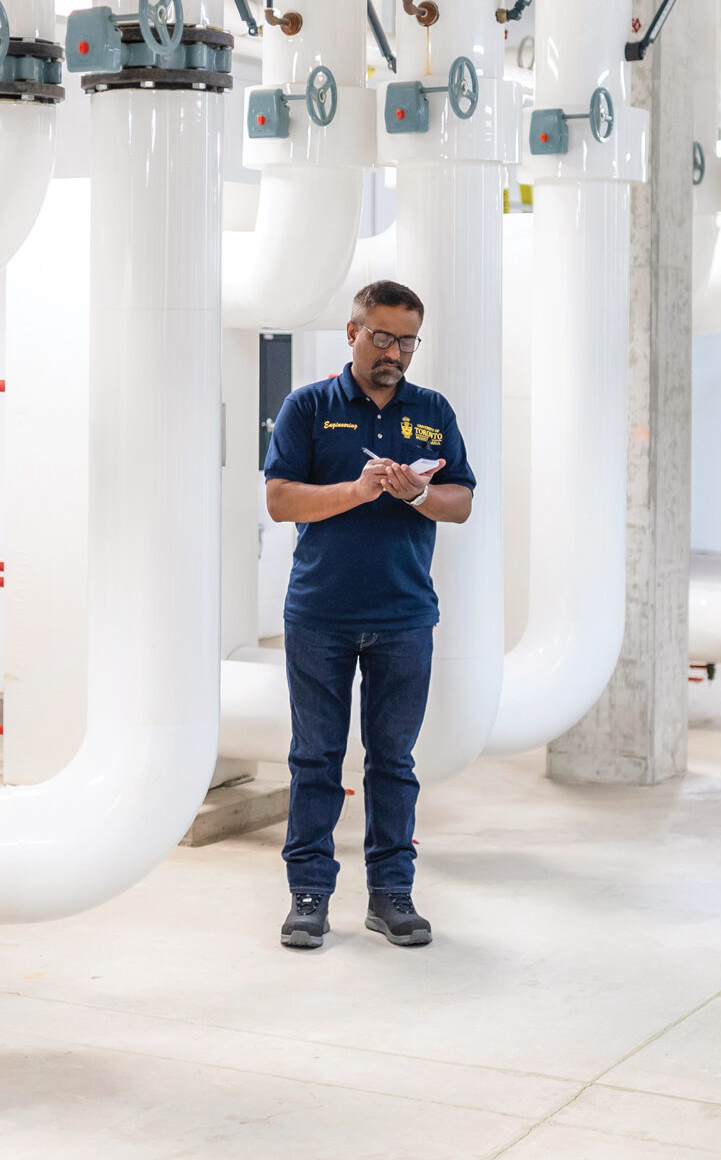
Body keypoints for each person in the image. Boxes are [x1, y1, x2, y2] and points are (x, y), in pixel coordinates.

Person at [261, 280, 475, 950]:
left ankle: (392, 894)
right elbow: (280, 500)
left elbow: (462, 500)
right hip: (321, 614)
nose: (395, 352)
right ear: (351, 332)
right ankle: (309, 894)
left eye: (407, 340)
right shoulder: (311, 407)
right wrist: (357, 491)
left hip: (405, 615)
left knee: (393, 761)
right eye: (382, 336)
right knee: (316, 758)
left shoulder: (432, 411)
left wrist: (416, 497)